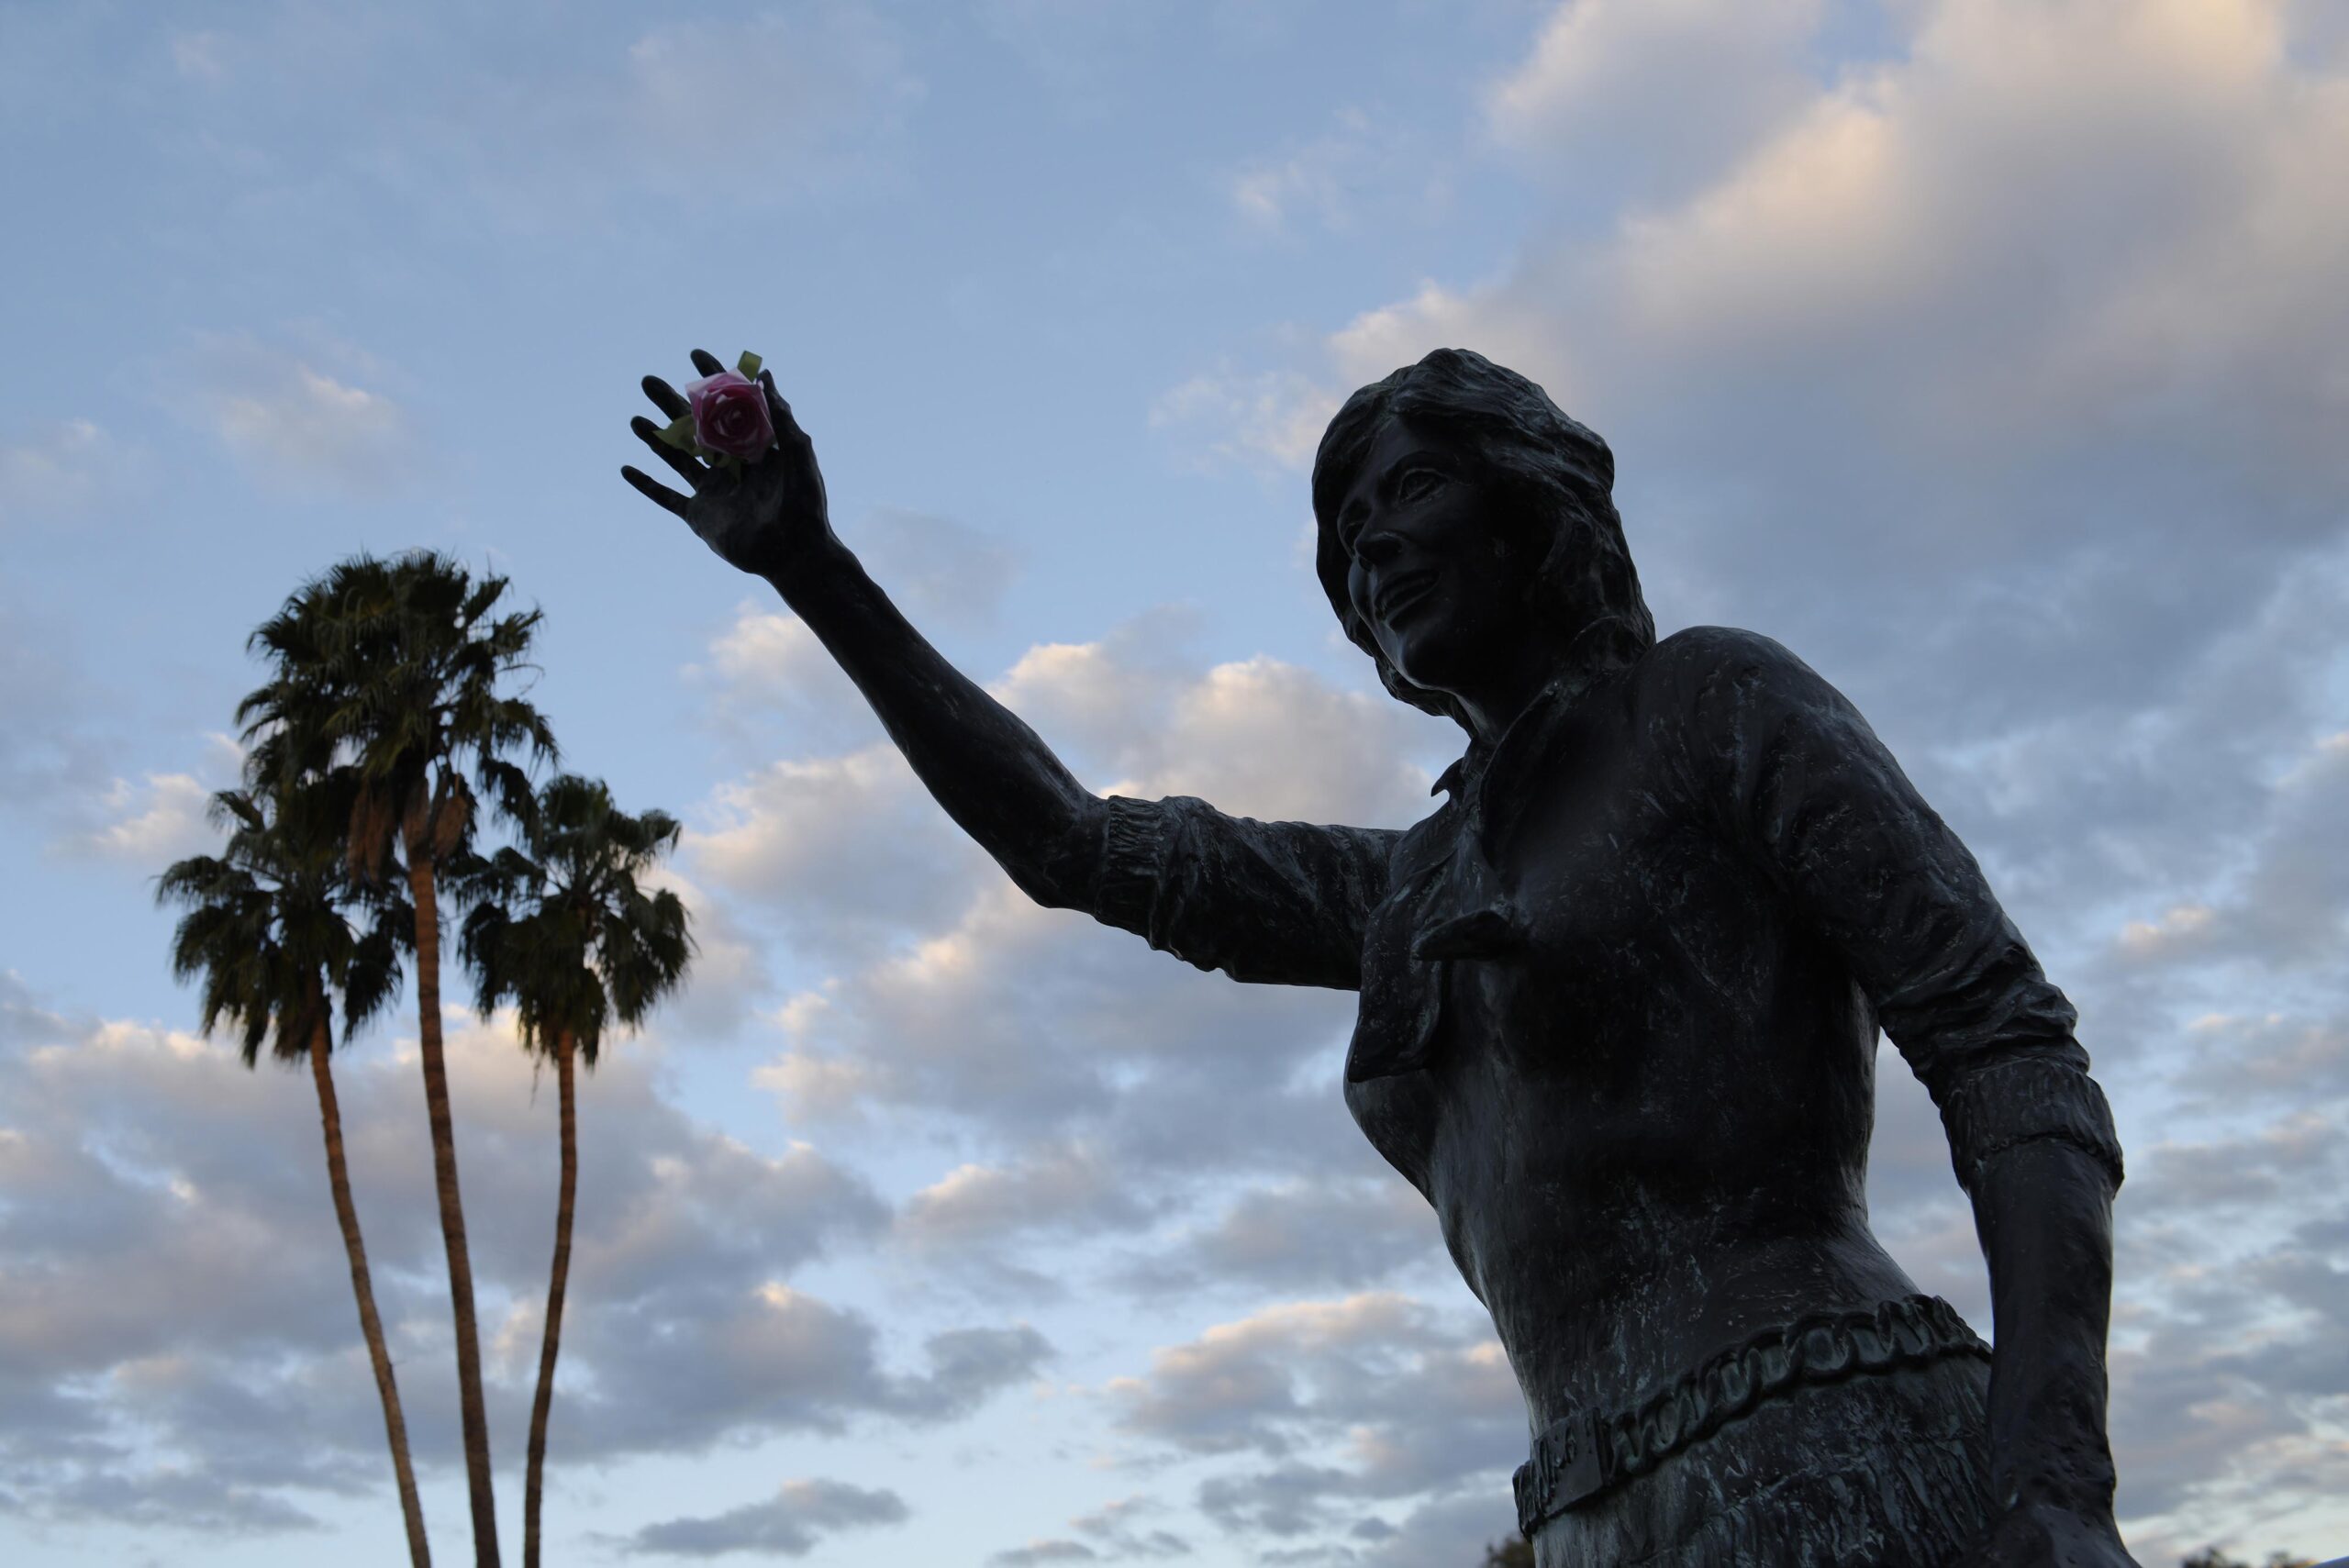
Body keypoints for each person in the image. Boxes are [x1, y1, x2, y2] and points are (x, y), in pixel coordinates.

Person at [623, 346, 2139, 1568]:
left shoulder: (1712, 705)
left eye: (1410, 490)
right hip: (1593, 1517)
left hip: (1834, 1449)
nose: (1375, 545)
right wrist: (813, 572)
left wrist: (2055, 1469)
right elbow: (1074, 844)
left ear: (1527, 499)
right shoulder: (1409, 886)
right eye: (1348, 535)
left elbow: (2005, 1040)